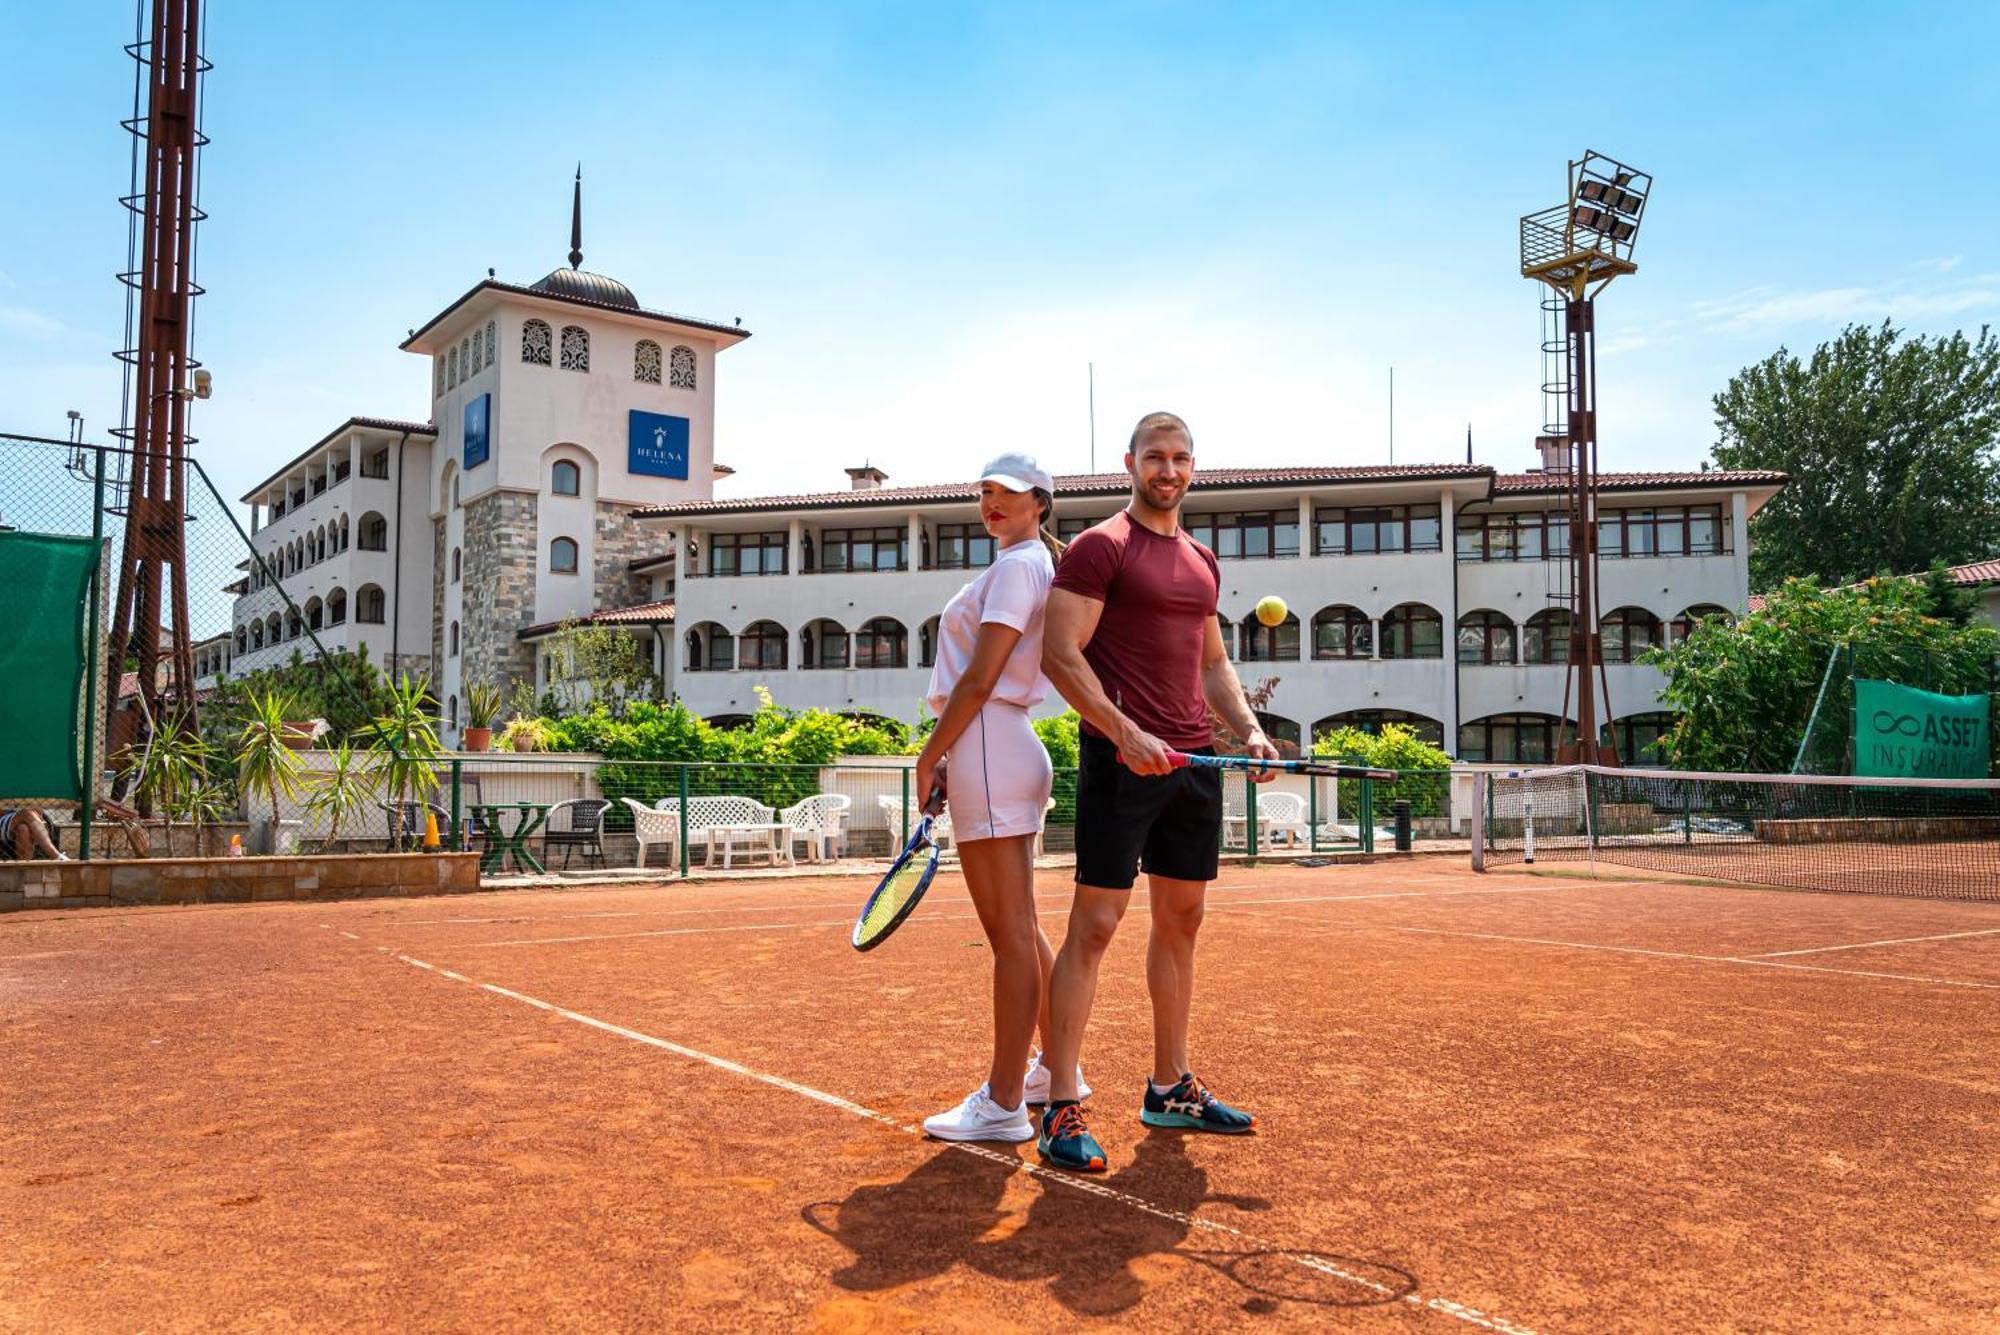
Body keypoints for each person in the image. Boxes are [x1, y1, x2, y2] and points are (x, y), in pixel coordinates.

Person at [1035, 411, 1279, 1172]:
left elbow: (1213, 665)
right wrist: (1122, 733)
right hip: (1122, 762)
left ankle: (1169, 1086)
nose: (1167, 470)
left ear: (1193, 466)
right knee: (1096, 925)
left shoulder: (1203, 559)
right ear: (1130, 463)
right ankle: (1060, 1101)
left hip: (1193, 762)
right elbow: (1059, 656)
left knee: (1184, 920)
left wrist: (1249, 729)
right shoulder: (1099, 549)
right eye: (1154, 458)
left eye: (1179, 459)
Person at [914, 451, 1089, 1142]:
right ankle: (1050, 1074)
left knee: (1010, 936)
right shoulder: (1029, 563)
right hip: (1000, 743)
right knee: (1025, 927)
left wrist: (933, 754)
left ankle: (1006, 1099)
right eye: (985, 491)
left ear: (1039, 502)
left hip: (988, 742)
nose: (993, 502)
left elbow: (981, 676)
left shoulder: (1019, 567)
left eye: (1008, 492)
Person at [0, 807, 68, 861]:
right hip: (3, 820)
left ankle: (24, 870)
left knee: (23, 829)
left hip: (32, 821)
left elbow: (39, 814)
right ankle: (56, 855)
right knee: (26, 813)